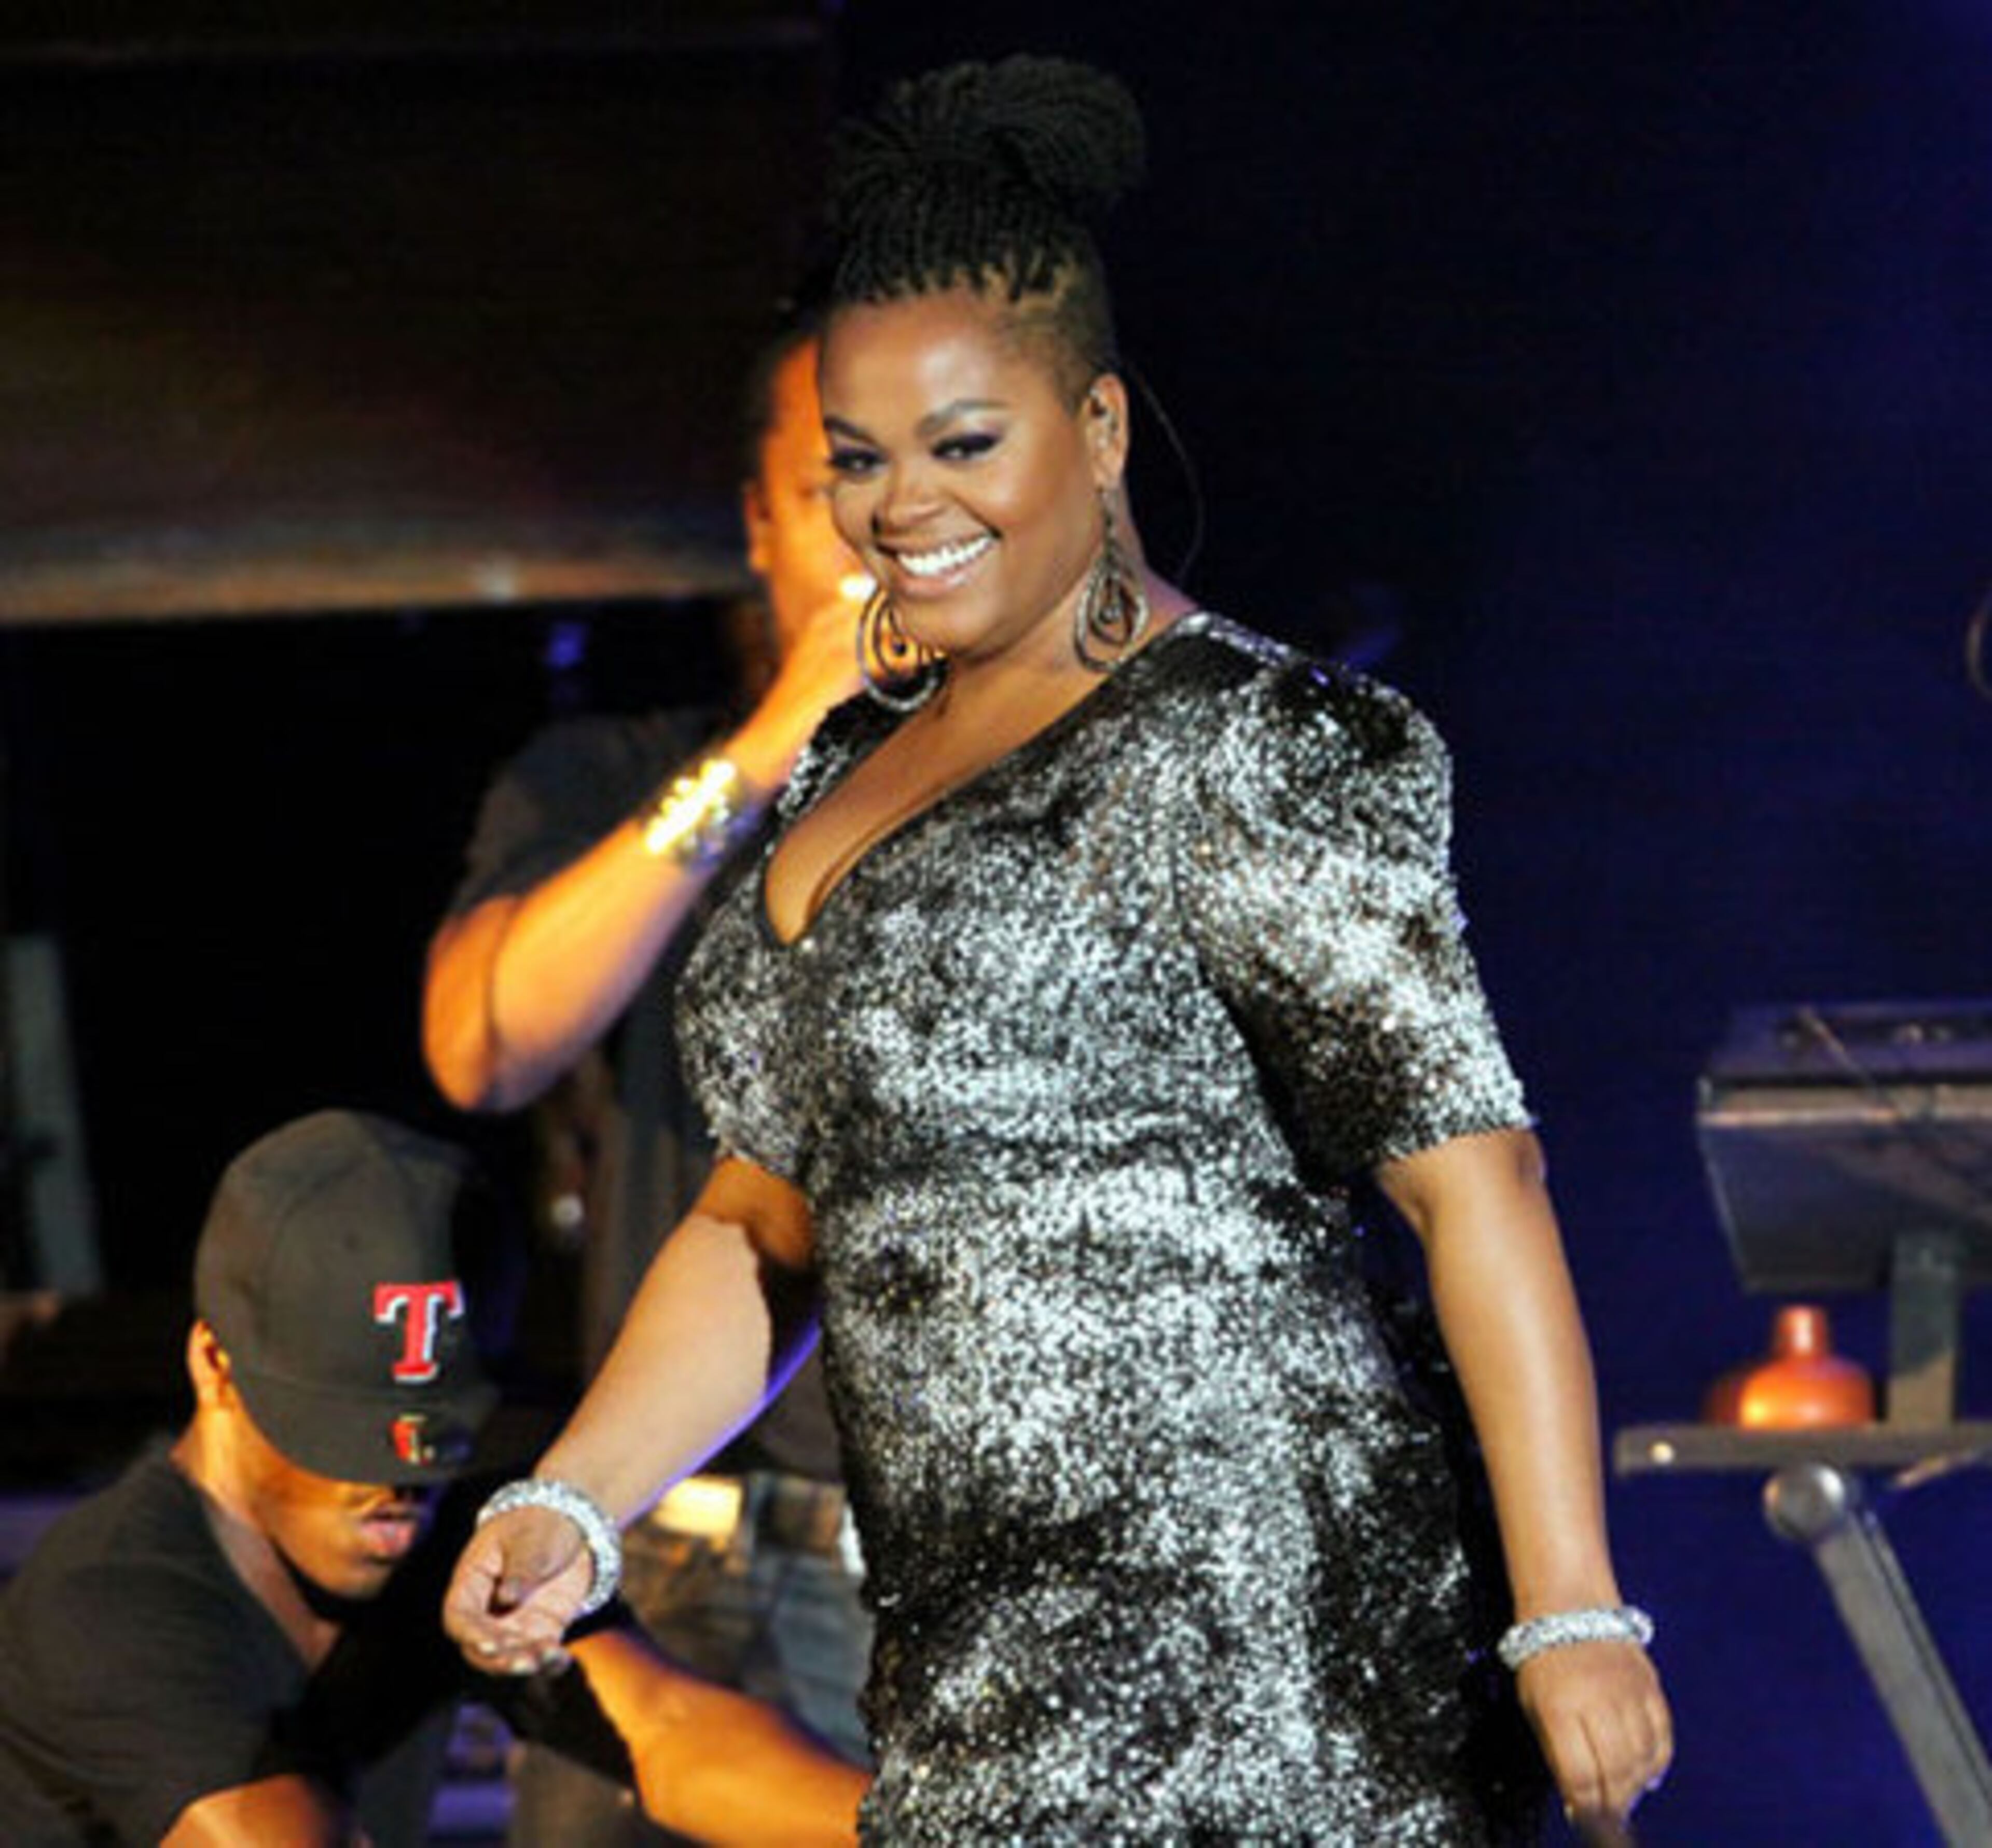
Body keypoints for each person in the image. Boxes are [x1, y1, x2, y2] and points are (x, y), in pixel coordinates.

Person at [443, 55, 1675, 1844]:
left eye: (965, 444)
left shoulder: (1254, 747)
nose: (898, 505)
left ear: (1097, 431)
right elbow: (759, 1222)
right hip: (980, 1687)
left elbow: (1473, 1184)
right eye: (857, 458)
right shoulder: (839, 783)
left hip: (1286, 1665)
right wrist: (578, 1496)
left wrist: (1569, 1600)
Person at [422, 310, 874, 1843]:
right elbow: (483, 1042)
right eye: (831, 486)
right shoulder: (627, 769)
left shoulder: (1038, 795)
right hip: (653, 1523)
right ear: (759, 519)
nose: (879, 530)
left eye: (919, 475)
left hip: (910, 1542)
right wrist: (757, 760)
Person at [0, 1109, 865, 1847]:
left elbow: (672, 1735)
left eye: (435, 1439)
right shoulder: (109, 1602)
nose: (399, 1485)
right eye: (346, 1437)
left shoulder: (445, 1516)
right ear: (215, 1368)